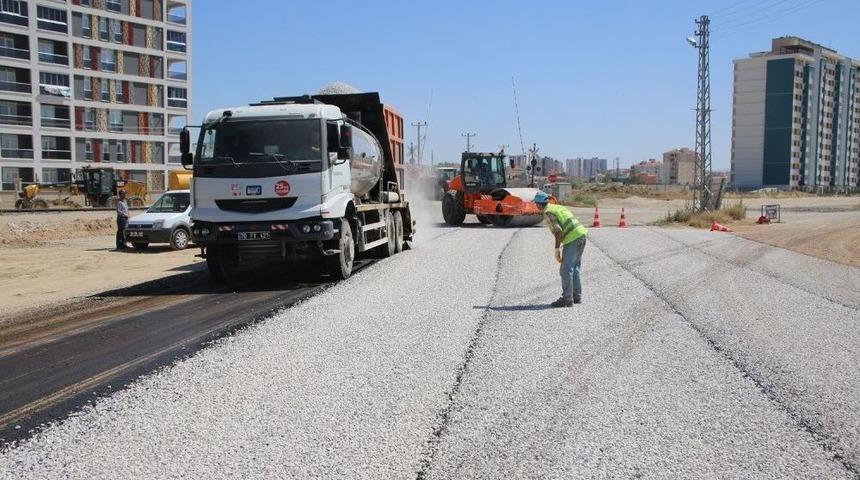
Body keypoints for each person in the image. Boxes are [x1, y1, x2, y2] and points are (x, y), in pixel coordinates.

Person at [533, 191, 588, 307]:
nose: (535, 206)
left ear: (538, 204)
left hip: (572, 239)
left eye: (536, 204)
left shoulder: (548, 212)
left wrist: (556, 250)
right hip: (581, 235)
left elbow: (558, 232)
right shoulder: (557, 207)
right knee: (575, 267)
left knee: (565, 269)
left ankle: (567, 299)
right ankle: (576, 296)